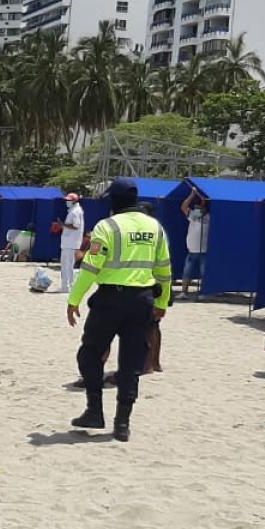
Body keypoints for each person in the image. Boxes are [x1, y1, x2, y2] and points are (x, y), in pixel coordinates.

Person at [66, 178, 172, 442]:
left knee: (89, 354)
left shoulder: (107, 226)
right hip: (143, 301)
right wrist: (162, 303)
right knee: (132, 363)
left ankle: (94, 411)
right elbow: (164, 269)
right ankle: (122, 424)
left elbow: (90, 268)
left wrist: (74, 299)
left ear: (113, 201)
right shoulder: (154, 227)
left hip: (110, 300)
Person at [180, 188, 210, 300]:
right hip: (191, 250)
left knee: (204, 274)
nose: (197, 209)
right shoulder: (193, 216)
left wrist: (203, 200)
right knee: (186, 272)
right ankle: (184, 292)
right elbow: (183, 207)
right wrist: (192, 195)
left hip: (204, 251)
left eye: (200, 207)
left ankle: (203, 293)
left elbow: (204, 204)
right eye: (196, 207)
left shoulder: (209, 217)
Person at [59, 193, 85, 292]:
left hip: (71, 243)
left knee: (67, 265)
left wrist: (63, 224)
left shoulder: (75, 212)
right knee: (66, 265)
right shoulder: (74, 211)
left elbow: (76, 225)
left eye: (69, 200)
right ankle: (66, 285)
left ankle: (67, 286)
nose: (67, 202)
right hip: (69, 243)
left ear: (74, 201)